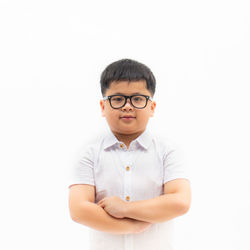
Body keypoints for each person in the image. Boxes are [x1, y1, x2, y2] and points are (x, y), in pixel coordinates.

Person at [68, 58, 191, 250]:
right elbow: (78, 210)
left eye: (137, 98)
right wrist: (130, 226)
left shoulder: (168, 152)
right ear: (103, 106)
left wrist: (125, 208)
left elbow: (180, 202)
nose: (127, 106)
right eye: (117, 99)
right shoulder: (89, 154)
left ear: (152, 107)